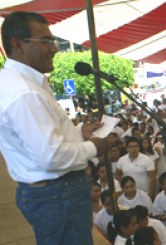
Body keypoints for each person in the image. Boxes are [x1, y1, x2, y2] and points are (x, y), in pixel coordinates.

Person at [0, 11, 107, 245]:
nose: (55, 48)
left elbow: (40, 140)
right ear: (18, 45)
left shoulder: (24, 83)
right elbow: (52, 156)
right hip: (58, 194)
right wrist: (92, 147)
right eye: (46, 41)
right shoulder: (24, 93)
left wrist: (79, 134)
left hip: (54, 194)